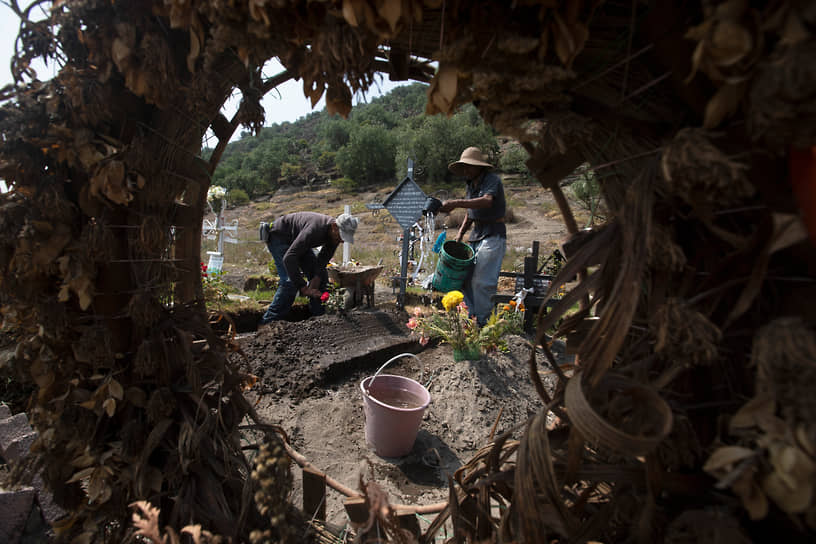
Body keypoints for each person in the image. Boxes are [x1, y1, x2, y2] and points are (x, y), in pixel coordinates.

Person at [438, 147, 507, 326]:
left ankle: (485, 325)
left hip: (493, 234)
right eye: (464, 167)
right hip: (476, 235)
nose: (466, 171)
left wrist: (456, 203)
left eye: (469, 166)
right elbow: (471, 212)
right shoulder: (471, 184)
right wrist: (460, 234)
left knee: (482, 281)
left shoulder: (491, 181)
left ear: (479, 167)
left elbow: (486, 201)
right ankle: (471, 320)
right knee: (465, 279)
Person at [259, 211, 358, 325]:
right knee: (289, 282)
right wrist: (303, 287)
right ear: (334, 226)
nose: (342, 240)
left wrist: (315, 278)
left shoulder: (334, 236)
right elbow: (289, 258)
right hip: (280, 237)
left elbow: (323, 260)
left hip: (299, 240)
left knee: (322, 278)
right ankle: (267, 323)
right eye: (341, 236)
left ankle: (319, 321)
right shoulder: (314, 230)